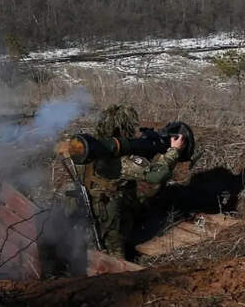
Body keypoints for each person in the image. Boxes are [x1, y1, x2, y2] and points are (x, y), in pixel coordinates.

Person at [58, 104, 185, 258]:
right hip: (107, 215)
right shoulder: (119, 160)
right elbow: (157, 175)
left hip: (85, 208)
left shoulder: (90, 147)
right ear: (122, 129)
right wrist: (174, 150)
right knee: (114, 258)